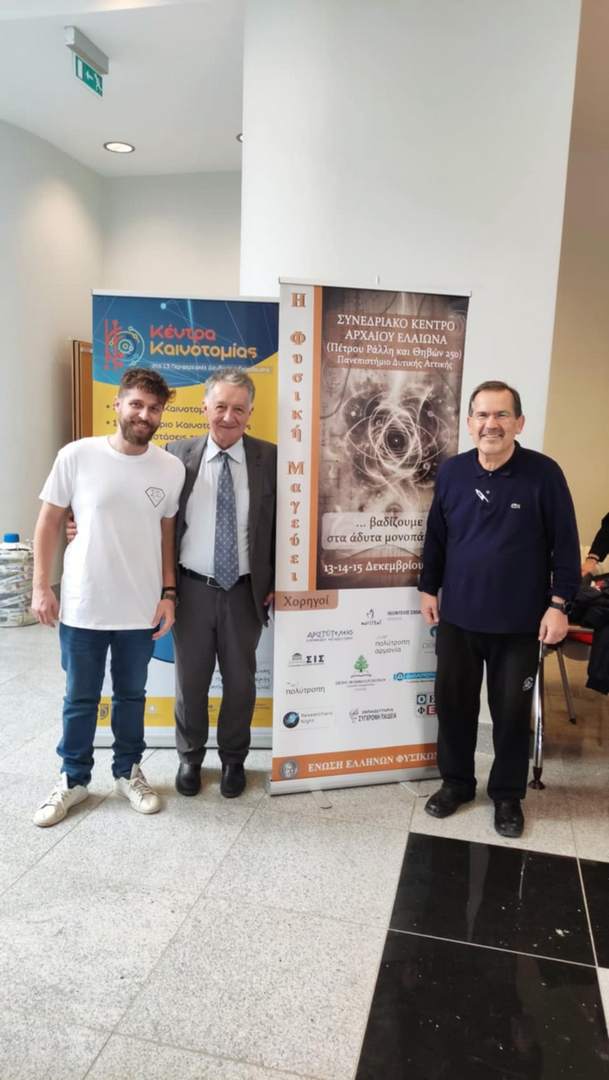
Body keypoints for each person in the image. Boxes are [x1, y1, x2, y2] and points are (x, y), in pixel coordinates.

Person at [419, 380, 580, 838]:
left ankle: (507, 795)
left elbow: (566, 546)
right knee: (454, 706)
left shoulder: (544, 474)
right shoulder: (453, 473)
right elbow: (437, 538)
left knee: (510, 714)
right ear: (470, 423)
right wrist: (428, 588)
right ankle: (456, 783)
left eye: (502, 415)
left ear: (519, 423)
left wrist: (559, 605)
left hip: (519, 623)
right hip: (458, 618)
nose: (492, 424)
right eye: (483, 415)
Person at [31, 368, 185, 827]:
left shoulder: (170, 468)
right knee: (80, 698)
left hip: (140, 607)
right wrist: (41, 586)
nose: (144, 414)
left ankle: (127, 772)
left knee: (131, 696)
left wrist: (169, 592)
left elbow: (166, 535)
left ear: (161, 414)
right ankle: (73, 778)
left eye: (154, 408)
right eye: (136, 404)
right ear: (117, 405)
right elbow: (49, 521)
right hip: (84, 604)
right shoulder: (77, 456)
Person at [167, 368, 276, 799]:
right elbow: (150, 517)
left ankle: (233, 760)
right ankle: (190, 757)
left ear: (250, 412)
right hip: (191, 589)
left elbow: (284, 525)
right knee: (190, 681)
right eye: (221, 406)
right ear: (204, 408)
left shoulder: (270, 458)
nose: (229, 417)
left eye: (239, 409)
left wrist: (280, 580)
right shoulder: (175, 455)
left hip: (244, 592)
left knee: (240, 682)